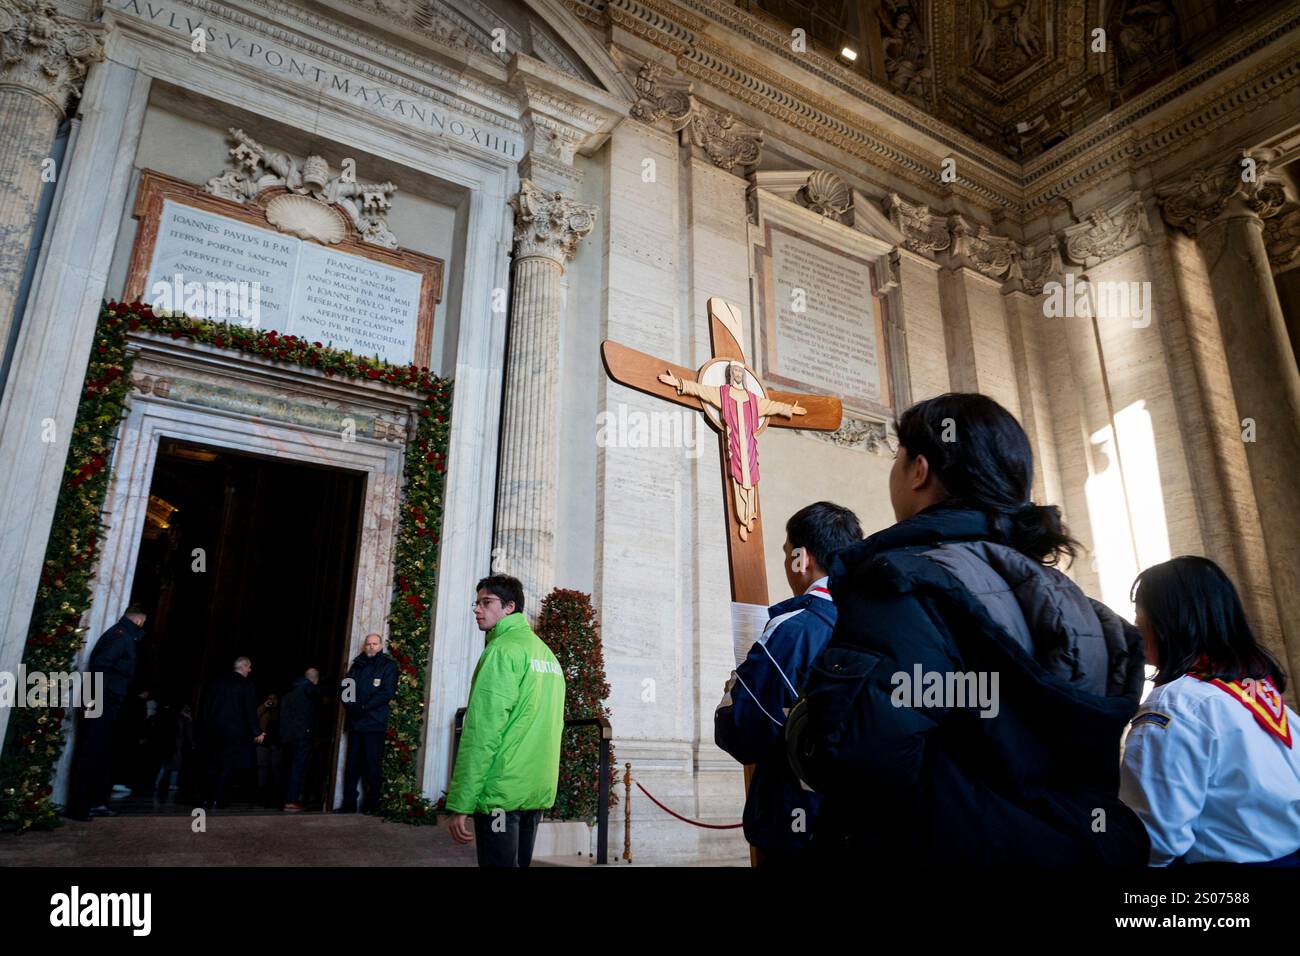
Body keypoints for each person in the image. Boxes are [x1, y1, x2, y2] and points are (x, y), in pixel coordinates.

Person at [786, 392, 1150, 865]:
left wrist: (802, 725)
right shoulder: (1076, 602)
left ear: (920, 470)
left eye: (897, 458)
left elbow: (859, 759)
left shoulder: (902, 583)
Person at [1120, 556, 1300, 865]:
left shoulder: (1175, 703)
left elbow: (1152, 839)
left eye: (1140, 613)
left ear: (1169, 621)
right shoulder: (1256, 692)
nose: (1136, 624)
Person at [715, 501, 862, 866]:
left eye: (787, 553)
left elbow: (743, 732)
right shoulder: (879, 623)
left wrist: (732, 693)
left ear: (803, 558)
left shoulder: (793, 629)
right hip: (862, 823)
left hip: (796, 822)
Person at [445, 575, 565, 867]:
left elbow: (483, 732)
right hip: (534, 791)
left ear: (510, 607)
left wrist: (461, 801)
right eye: (477, 603)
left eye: (486, 603)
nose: (477, 609)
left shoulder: (502, 651)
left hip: (501, 794)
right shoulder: (546, 655)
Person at [65, 605, 148, 820]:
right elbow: (100, 667)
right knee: (90, 754)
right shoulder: (120, 637)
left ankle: (96, 802)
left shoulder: (122, 635)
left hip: (105, 704)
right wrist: (104, 701)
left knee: (100, 754)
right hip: (99, 703)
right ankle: (79, 807)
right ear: (139, 620)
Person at [340, 634, 397, 814]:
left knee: (372, 765)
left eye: (375, 644)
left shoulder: (388, 666)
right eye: (368, 644)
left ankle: (371, 804)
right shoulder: (357, 664)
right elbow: (346, 686)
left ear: (381, 646)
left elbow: (386, 692)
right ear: (364, 646)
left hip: (374, 723)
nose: (371, 647)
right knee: (352, 766)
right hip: (356, 723)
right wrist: (350, 705)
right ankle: (349, 804)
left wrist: (364, 706)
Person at [199, 657, 264, 809]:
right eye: (249, 667)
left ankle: (205, 797)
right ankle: (218, 797)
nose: (250, 670)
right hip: (233, 731)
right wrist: (257, 731)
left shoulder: (217, 683)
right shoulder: (247, 684)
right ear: (244, 666)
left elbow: (206, 707)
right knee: (227, 764)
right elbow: (249, 710)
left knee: (211, 763)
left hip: (212, 730)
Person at [280, 667, 320, 811]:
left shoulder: (289, 693)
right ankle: (291, 801)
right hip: (303, 736)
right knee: (298, 768)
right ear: (315, 680)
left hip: (286, 736)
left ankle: (284, 799)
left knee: (287, 767)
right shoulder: (310, 690)